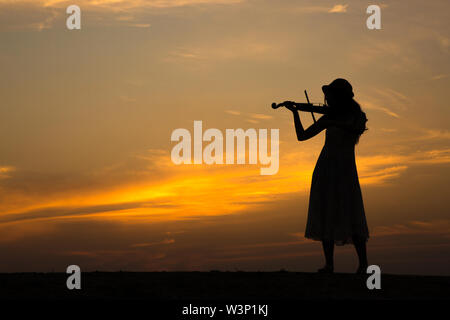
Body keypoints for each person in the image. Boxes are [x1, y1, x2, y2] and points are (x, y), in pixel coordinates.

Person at [283, 78, 369, 274]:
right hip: (326, 169)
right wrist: (296, 113)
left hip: (345, 171)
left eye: (331, 96)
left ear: (340, 97)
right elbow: (302, 136)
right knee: (326, 212)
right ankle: (329, 264)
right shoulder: (329, 117)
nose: (327, 100)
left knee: (352, 212)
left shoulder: (356, 116)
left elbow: (356, 129)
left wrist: (333, 121)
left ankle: (363, 264)